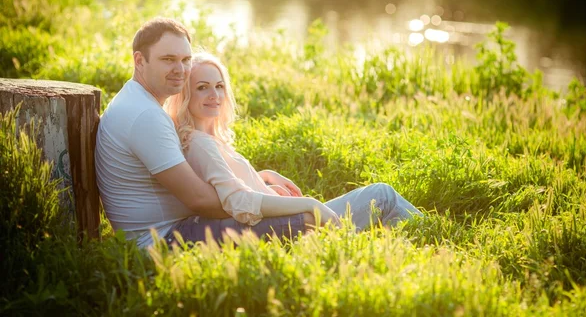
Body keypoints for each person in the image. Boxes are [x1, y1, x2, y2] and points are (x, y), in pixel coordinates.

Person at [95, 17, 314, 248]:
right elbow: (201, 200)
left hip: (167, 228)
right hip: (163, 239)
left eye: (185, 59)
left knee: (293, 213)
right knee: (308, 220)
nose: (180, 70)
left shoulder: (137, 101)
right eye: (168, 59)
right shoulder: (145, 116)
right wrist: (260, 200)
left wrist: (257, 184)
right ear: (140, 60)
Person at [163, 52, 423, 242]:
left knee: (386, 206)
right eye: (202, 88)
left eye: (219, 86)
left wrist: (262, 177)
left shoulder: (212, 140)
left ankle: (412, 243)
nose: (214, 95)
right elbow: (240, 202)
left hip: (287, 219)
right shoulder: (199, 144)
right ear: (185, 95)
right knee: (384, 195)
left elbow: (225, 182)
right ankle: (433, 236)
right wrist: (309, 204)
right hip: (286, 225)